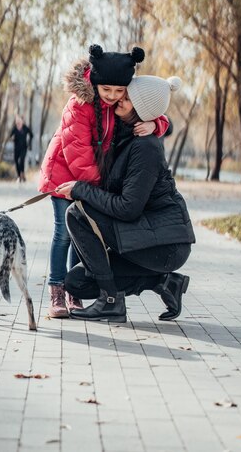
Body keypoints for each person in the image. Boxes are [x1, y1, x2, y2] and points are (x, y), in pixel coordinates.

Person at [38, 45, 170, 319]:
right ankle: (57, 290)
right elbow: (78, 157)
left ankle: (76, 292)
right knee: (64, 232)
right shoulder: (79, 104)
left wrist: (156, 126)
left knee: (81, 237)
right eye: (106, 90)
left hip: (90, 183)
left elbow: (152, 108)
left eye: (119, 91)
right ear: (96, 83)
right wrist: (97, 191)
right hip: (65, 175)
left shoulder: (118, 104)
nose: (112, 96)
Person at [56, 74, 195, 323]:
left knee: (77, 213)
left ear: (142, 109)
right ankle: (164, 281)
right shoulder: (122, 132)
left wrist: (80, 189)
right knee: (76, 283)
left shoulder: (146, 147)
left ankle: (111, 301)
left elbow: (128, 208)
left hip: (166, 245)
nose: (119, 99)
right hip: (142, 234)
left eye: (128, 98)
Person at [10, 115, 33, 182]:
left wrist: (29, 143)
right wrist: (12, 138)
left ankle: (22, 174)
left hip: (24, 147)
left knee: (22, 160)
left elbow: (31, 135)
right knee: (16, 161)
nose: (18, 122)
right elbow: (11, 135)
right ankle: (19, 175)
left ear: (22, 121)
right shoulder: (14, 128)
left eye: (20, 121)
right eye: (17, 121)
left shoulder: (25, 128)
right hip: (16, 148)